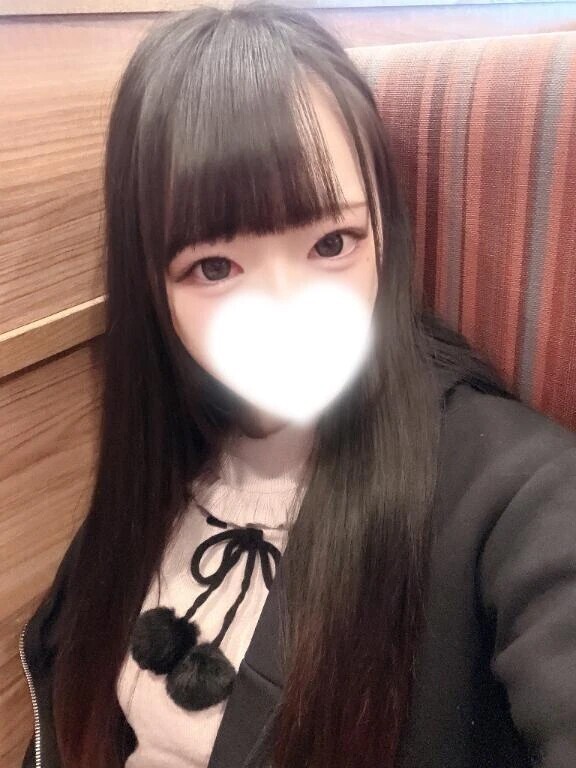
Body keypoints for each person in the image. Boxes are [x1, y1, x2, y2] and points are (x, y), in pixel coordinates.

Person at [19, 3, 576, 768]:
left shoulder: (513, 494)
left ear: (384, 232)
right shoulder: (162, 459)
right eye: (215, 266)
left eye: (331, 243)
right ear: (154, 286)